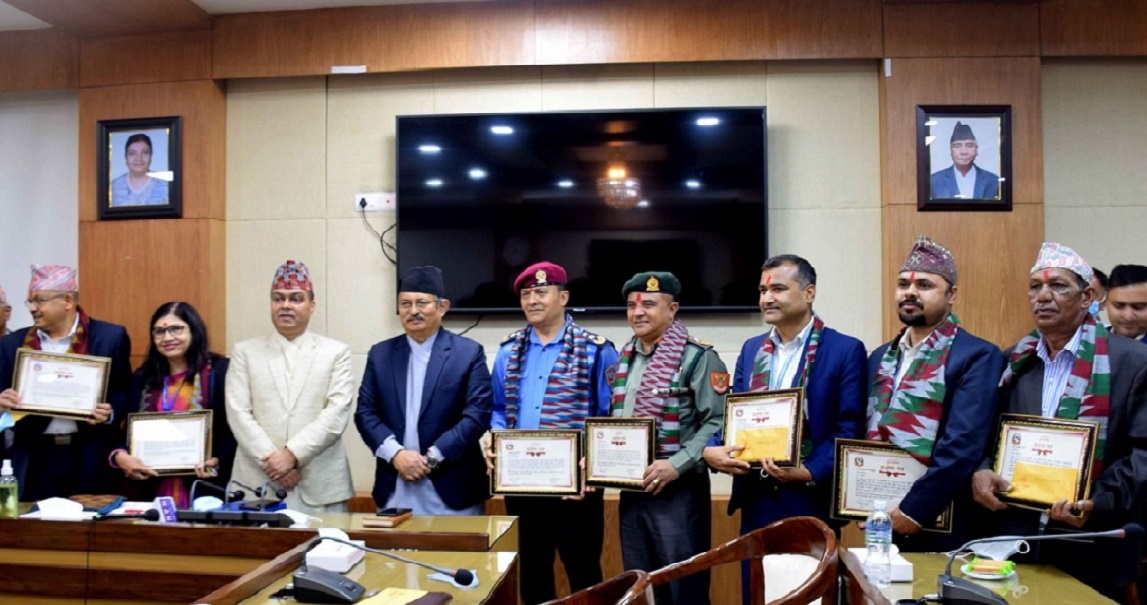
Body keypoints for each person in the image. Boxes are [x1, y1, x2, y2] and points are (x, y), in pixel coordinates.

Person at [972, 243, 1147, 600]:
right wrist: (983, 468)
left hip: (1093, 541)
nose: (1043, 296)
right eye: (1035, 287)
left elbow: (1143, 453)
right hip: (1017, 540)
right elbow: (988, 435)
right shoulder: (1015, 360)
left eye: (1057, 286)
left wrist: (1098, 501)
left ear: (1088, 297)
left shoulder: (1134, 361)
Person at [702, 254, 866, 604]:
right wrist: (711, 450)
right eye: (763, 291)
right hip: (756, 498)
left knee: (806, 597)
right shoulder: (751, 350)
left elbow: (850, 427)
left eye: (778, 289)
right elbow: (736, 416)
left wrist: (810, 470)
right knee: (757, 594)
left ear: (809, 293)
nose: (767, 298)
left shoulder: (844, 350)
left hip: (809, 499)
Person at [484, 261, 618, 604]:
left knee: (584, 574)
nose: (532, 301)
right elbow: (498, 409)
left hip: (577, 486)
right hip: (522, 484)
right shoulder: (508, 351)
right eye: (526, 295)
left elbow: (611, 415)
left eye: (542, 292)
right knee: (531, 572)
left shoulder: (597, 350)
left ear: (563, 297)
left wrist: (594, 462)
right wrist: (494, 440)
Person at [866, 236, 1003, 552]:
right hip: (883, 518)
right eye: (903, 284)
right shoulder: (881, 357)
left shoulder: (977, 356)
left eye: (924, 285)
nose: (910, 292)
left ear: (951, 295)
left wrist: (913, 510)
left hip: (944, 520)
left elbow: (963, 444)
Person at [612, 271, 726, 605]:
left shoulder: (699, 357)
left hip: (678, 492)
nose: (638, 312)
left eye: (648, 304)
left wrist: (677, 464)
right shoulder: (625, 357)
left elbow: (717, 422)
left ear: (672, 309)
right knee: (640, 587)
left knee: (682, 589)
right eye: (632, 306)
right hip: (633, 490)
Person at [355, 266, 492, 515]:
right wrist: (396, 454)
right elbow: (365, 413)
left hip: (454, 486)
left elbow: (477, 415)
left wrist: (432, 457)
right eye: (405, 304)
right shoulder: (381, 354)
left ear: (442, 307)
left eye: (422, 303)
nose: (413, 311)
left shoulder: (468, 353)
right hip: (395, 482)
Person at [226, 260, 355, 513]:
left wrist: (292, 455)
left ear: (311, 305)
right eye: (278, 298)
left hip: (320, 485)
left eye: (296, 299)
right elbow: (238, 413)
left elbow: (336, 414)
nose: (285, 305)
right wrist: (275, 463)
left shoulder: (336, 352)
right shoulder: (245, 352)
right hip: (256, 484)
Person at [0, 264, 132, 500]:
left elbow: (124, 392)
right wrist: (2, 403)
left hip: (89, 453)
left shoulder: (110, 337)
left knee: (89, 520)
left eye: (40, 301)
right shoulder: (11, 345)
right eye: (30, 302)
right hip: (35, 457)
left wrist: (110, 412)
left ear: (68, 301)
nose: (33, 308)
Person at [109, 302, 235, 508]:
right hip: (149, 489)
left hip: (206, 489)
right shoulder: (143, 378)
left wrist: (218, 460)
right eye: (159, 331)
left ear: (194, 331)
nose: (167, 337)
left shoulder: (220, 372)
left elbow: (235, 430)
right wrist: (120, 456)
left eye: (176, 329)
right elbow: (124, 430)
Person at [930, 122, 1001, 200]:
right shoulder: (934, 181)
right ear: (951, 151)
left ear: (976, 150)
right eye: (957, 146)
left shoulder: (993, 181)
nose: (964, 152)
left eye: (969, 145)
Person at [110, 133, 169, 207]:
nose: (139, 158)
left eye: (145, 152)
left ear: (151, 155)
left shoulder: (165, 187)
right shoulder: (114, 187)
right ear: (126, 157)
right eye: (132, 153)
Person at [1105, 264, 1147, 343]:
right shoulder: (1089, 341)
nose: (1128, 316)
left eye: (1138, 307)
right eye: (1119, 306)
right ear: (1106, 303)